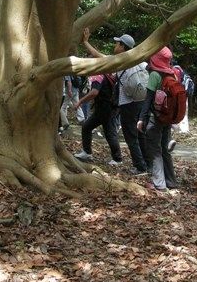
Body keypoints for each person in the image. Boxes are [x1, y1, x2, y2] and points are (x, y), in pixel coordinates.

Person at [81, 28, 149, 174]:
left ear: (122, 46)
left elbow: (98, 56)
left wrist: (86, 42)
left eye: (117, 43)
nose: (115, 46)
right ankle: (147, 164)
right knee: (139, 134)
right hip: (141, 101)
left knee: (130, 136)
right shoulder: (138, 60)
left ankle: (140, 167)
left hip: (128, 103)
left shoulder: (121, 60)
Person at [137, 47, 179, 192]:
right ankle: (171, 181)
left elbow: (148, 99)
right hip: (167, 117)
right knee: (164, 150)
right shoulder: (173, 74)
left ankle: (159, 183)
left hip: (156, 118)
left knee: (154, 150)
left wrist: (141, 119)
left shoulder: (155, 75)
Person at [74, 73, 123, 165]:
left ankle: (117, 159)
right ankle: (87, 152)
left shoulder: (98, 76)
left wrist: (80, 101)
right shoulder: (108, 75)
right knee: (88, 127)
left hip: (105, 109)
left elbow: (94, 92)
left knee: (109, 133)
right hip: (109, 107)